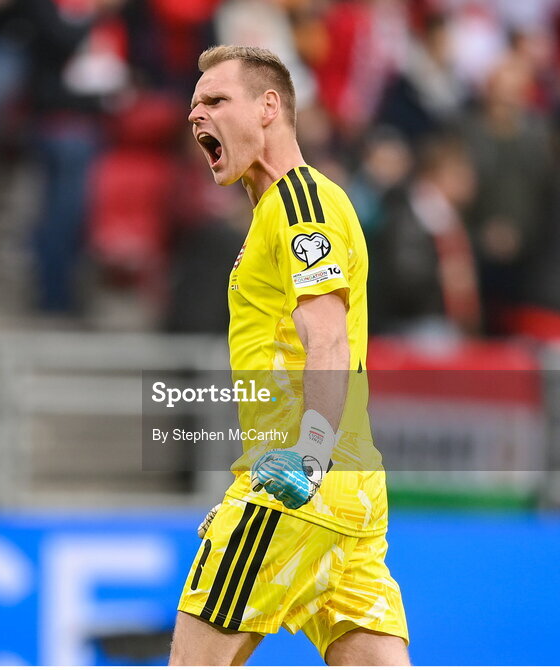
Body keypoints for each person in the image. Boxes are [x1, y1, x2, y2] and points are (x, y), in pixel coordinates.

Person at [170, 45, 409, 666]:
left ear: (269, 107)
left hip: (300, 482)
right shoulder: (276, 212)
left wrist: (308, 458)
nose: (198, 116)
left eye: (217, 100)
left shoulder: (302, 204)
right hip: (352, 493)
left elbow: (327, 337)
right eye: (194, 105)